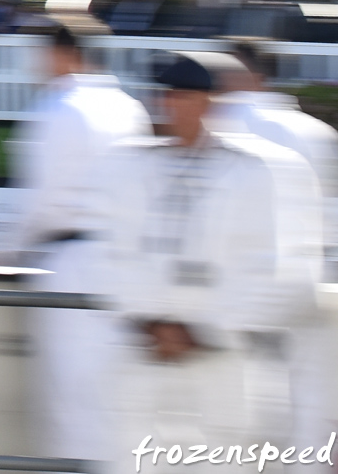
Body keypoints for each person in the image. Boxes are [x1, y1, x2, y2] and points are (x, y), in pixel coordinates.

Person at [103, 53, 323, 473]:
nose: (169, 106)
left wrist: (201, 329)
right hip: (149, 358)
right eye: (165, 96)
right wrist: (151, 323)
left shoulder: (265, 169)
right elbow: (115, 253)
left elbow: (289, 273)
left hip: (230, 362)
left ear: (210, 102)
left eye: (182, 96)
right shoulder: (132, 167)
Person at [5, 23, 152, 469]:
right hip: (129, 264)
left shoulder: (58, 109)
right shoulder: (130, 109)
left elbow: (38, 206)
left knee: (70, 402)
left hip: (72, 262)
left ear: (60, 54)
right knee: (116, 401)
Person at [215, 40, 338, 451]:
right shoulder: (314, 131)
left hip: (243, 287)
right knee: (310, 407)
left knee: (243, 406)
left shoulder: (222, 121)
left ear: (242, 74)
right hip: (311, 283)